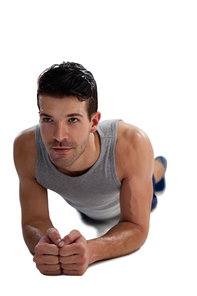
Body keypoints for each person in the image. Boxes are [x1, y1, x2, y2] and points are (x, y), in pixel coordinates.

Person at [13, 62, 167, 276]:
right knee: (91, 216)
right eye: (48, 119)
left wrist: (92, 250)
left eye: (73, 119)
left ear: (94, 122)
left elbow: (136, 226)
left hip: (122, 203)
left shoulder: (131, 144)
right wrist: (45, 242)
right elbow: (33, 220)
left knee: (153, 175)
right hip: (87, 210)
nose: (59, 136)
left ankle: (159, 166)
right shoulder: (26, 148)